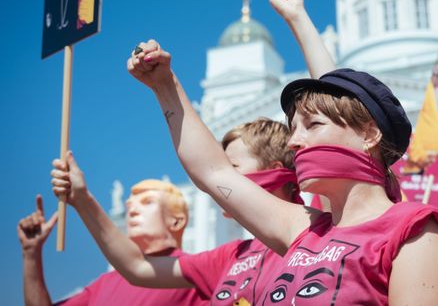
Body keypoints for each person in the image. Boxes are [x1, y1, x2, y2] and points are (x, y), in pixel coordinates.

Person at [125, 0, 438, 305]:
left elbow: (338, 95)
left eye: (312, 125)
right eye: (293, 128)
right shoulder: (302, 229)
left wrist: (300, 21)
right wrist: (165, 86)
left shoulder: (417, 231)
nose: (294, 141)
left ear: (369, 134)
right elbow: (212, 171)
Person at [51, 119, 302, 305]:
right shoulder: (229, 257)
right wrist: (82, 200)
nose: (218, 180)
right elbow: (137, 267)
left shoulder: (317, 233)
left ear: (274, 171)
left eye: (232, 168)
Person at [20, 165, 206, 306]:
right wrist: (31, 255)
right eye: (129, 206)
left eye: (147, 203)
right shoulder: (105, 283)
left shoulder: (200, 273)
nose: (132, 211)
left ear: (177, 221)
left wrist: (82, 199)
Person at [405, 52, 438, 174]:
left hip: (431, 162)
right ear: (436, 68)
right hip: (416, 165)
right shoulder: (423, 90)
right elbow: (410, 128)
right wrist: (421, 156)